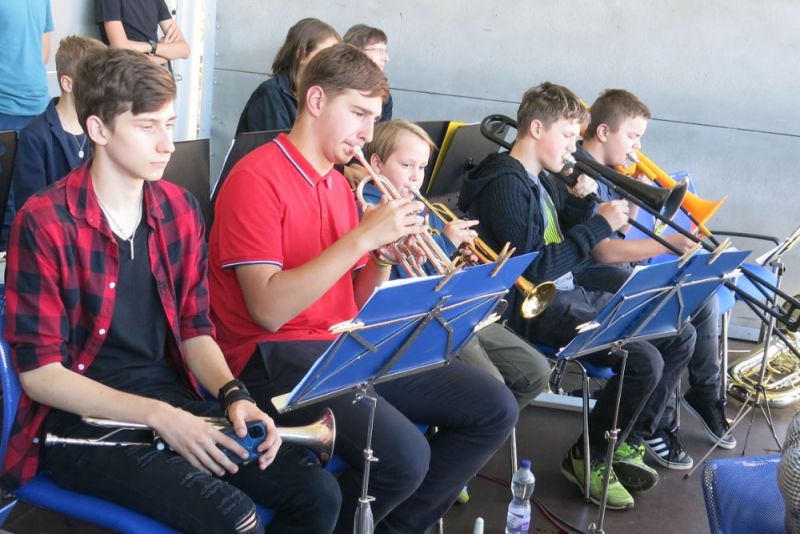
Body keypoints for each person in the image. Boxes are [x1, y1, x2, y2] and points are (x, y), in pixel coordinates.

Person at [1, 48, 340, 533]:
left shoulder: (179, 209)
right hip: (78, 424)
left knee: (317, 494)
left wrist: (234, 395)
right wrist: (158, 415)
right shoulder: (45, 221)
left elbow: (195, 330)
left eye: (170, 124)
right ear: (98, 130)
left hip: (169, 402)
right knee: (235, 518)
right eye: (147, 126)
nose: (167, 144)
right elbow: (40, 377)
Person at [209, 44, 518, 533]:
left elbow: (351, 303)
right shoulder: (256, 178)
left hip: (336, 345)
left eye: (373, 118)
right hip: (268, 356)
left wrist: (379, 258)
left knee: (495, 406)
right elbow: (267, 309)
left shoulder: (337, 185)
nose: (367, 133)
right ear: (316, 101)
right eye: (358, 113)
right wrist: (361, 238)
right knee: (406, 458)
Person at [458, 82, 696, 510]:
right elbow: (536, 270)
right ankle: (590, 457)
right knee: (643, 359)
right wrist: (599, 225)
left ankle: (627, 439)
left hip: (568, 288)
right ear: (536, 129)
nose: (574, 147)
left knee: (679, 332)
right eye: (568, 136)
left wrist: (581, 203)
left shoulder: (540, 177)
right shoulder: (505, 184)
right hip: (533, 306)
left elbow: (559, 236)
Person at [578, 89, 736, 470]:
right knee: (683, 316)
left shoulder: (610, 172)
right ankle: (656, 420)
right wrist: (668, 245)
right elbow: (603, 251)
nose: (638, 147)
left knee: (702, 296)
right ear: (603, 132)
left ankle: (700, 395)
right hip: (591, 279)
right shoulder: (583, 174)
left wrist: (634, 198)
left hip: (612, 271)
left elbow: (619, 233)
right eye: (633, 136)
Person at [360, 119, 551, 407]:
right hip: (419, 321)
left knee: (536, 371)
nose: (415, 177)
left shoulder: (423, 209)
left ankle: (484, 426)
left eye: (422, 167)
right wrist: (447, 243)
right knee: (493, 389)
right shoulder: (370, 210)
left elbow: (440, 270)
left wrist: (461, 261)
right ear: (376, 163)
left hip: (454, 311)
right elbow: (399, 282)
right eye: (407, 165)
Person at [12, 36, 106, 212]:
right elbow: (30, 208)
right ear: (67, 84)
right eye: (94, 82)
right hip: (53, 226)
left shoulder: (103, 129)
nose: (103, 90)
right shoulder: (35, 135)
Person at [0, 0, 54, 248]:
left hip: (39, 107)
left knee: (36, 201)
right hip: (5, 108)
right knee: (8, 207)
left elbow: (43, 49)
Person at [235, 18, 340, 135]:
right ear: (302, 55)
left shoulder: (318, 97)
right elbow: (277, 145)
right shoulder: (270, 95)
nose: (332, 64)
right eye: (325, 55)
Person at [95, 0, 190, 66]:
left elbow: (184, 49)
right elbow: (120, 48)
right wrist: (161, 57)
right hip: (125, 75)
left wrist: (151, 47)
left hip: (153, 75)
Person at [343, 24, 393, 122]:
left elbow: (382, 131)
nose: (386, 58)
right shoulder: (334, 89)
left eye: (385, 51)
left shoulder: (384, 96)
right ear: (356, 52)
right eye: (379, 51)